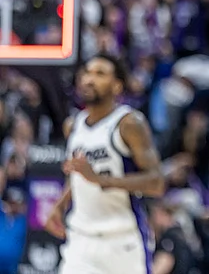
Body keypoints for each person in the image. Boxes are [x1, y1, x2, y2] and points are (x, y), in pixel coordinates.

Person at [44, 53, 166, 274]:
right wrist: (60, 204)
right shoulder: (73, 125)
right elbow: (77, 176)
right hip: (80, 240)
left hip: (122, 242)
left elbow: (156, 183)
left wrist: (100, 179)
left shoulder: (129, 123)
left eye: (100, 74)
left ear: (117, 86)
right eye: (87, 73)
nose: (89, 79)